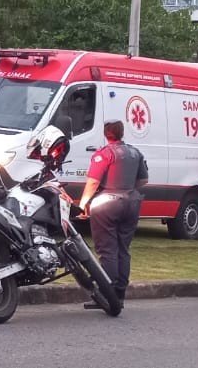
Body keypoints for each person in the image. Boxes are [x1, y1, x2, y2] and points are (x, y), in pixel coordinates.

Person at [76, 119, 149, 308]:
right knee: (123, 249)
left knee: (107, 249)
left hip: (107, 203)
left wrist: (83, 203)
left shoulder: (104, 154)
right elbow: (143, 181)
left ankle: (108, 294)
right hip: (132, 202)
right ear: (122, 132)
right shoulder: (135, 153)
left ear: (106, 133)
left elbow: (93, 182)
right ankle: (120, 293)